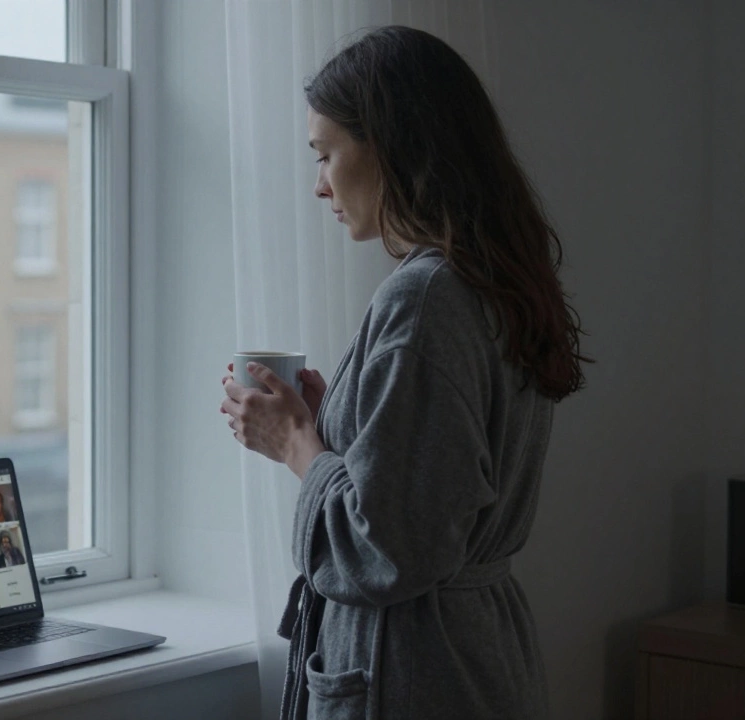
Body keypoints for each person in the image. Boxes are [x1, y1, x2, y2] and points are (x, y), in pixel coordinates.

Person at [219, 26, 590, 720]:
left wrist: (296, 444)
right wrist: (341, 420)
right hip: (479, 658)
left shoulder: (424, 298)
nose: (319, 184)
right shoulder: (491, 282)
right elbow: (436, 483)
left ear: (391, 145)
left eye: (327, 153)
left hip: (416, 672)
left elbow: (386, 548)